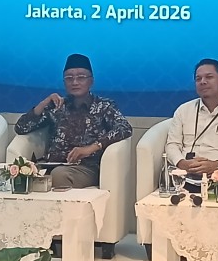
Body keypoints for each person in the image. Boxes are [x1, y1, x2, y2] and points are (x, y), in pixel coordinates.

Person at [14, 53, 132, 188]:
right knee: (21, 173)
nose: (75, 82)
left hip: (85, 168)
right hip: (51, 165)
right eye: (69, 78)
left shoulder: (104, 106)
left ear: (91, 81)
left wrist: (91, 148)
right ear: (64, 83)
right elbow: (21, 127)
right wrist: (44, 103)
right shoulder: (58, 106)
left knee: (59, 175)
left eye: (81, 77)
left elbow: (125, 128)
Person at [165, 58, 218, 193]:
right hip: (184, 177)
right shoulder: (183, 110)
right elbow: (172, 144)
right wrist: (181, 163)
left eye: (209, 77)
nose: (203, 82)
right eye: (198, 79)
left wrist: (216, 165)